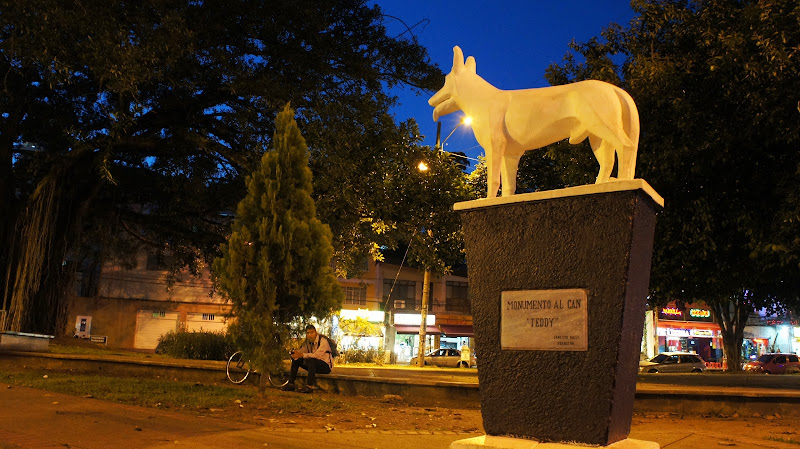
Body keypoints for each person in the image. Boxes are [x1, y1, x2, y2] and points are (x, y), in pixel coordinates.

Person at [282, 324, 333, 393]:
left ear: (316, 332)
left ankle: (309, 387)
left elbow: (316, 355)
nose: (310, 335)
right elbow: (303, 350)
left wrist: (302, 354)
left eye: (312, 332)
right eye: (308, 333)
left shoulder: (323, 341)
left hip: (325, 366)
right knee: (296, 359)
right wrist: (295, 353)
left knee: (312, 360)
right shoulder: (308, 342)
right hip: (313, 366)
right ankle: (291, 383)